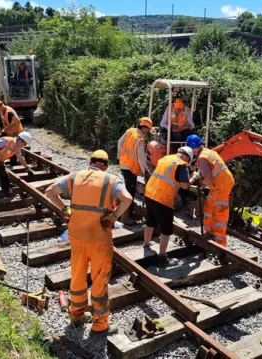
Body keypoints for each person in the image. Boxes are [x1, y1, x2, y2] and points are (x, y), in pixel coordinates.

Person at [45, 150, 132, 337]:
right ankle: (100, 325)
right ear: (106, 166)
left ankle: (76, 315)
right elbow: (127, 199)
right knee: (99, 281)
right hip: (99, 240)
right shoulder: (111, 180)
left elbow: (50, 192)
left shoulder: (75, 177)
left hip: (77, 238)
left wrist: (65, 209)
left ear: (90, 163)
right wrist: (114, 215)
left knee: (77, 276)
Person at [143, 146, 193, 266]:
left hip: (150, 193)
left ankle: (146, 244)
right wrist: (194, 177)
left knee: (150, 221)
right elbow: (185, 186)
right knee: (166, 230)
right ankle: (162, 258)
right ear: (187, 157)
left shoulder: (166, 159)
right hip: (163, 199)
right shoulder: (181, 165)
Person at [187, 134, 235, 247]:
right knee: (209, 206)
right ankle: (210, 232)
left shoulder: (202, 158)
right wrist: (197, 177)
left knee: (219, 211)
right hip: (219, 183)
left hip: (221, 185)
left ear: (193, 148)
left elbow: (208, 177)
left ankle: (220, 241)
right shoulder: (207, 152)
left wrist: (202, 183)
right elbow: (205, 171)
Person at [117, 117, 152, 223]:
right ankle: (125, 217)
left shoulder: (130, 131)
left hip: (124, 165)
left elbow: (119, 142)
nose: (148, 131)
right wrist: (144, 171)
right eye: (148, 129)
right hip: (131, 168)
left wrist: (119, 157)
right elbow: (141, 157)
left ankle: (122, 214)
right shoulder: (140, 139)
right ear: (144, 127)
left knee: (127, 189)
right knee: (129, 193)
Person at [0, 132, 34, 201]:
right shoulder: (5, 141)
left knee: (5, 175)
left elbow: (20, 158)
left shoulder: (16, 147)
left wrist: (27, 168)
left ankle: (7, 194)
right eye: (24, 144)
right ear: (20, 141)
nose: (24, 146)